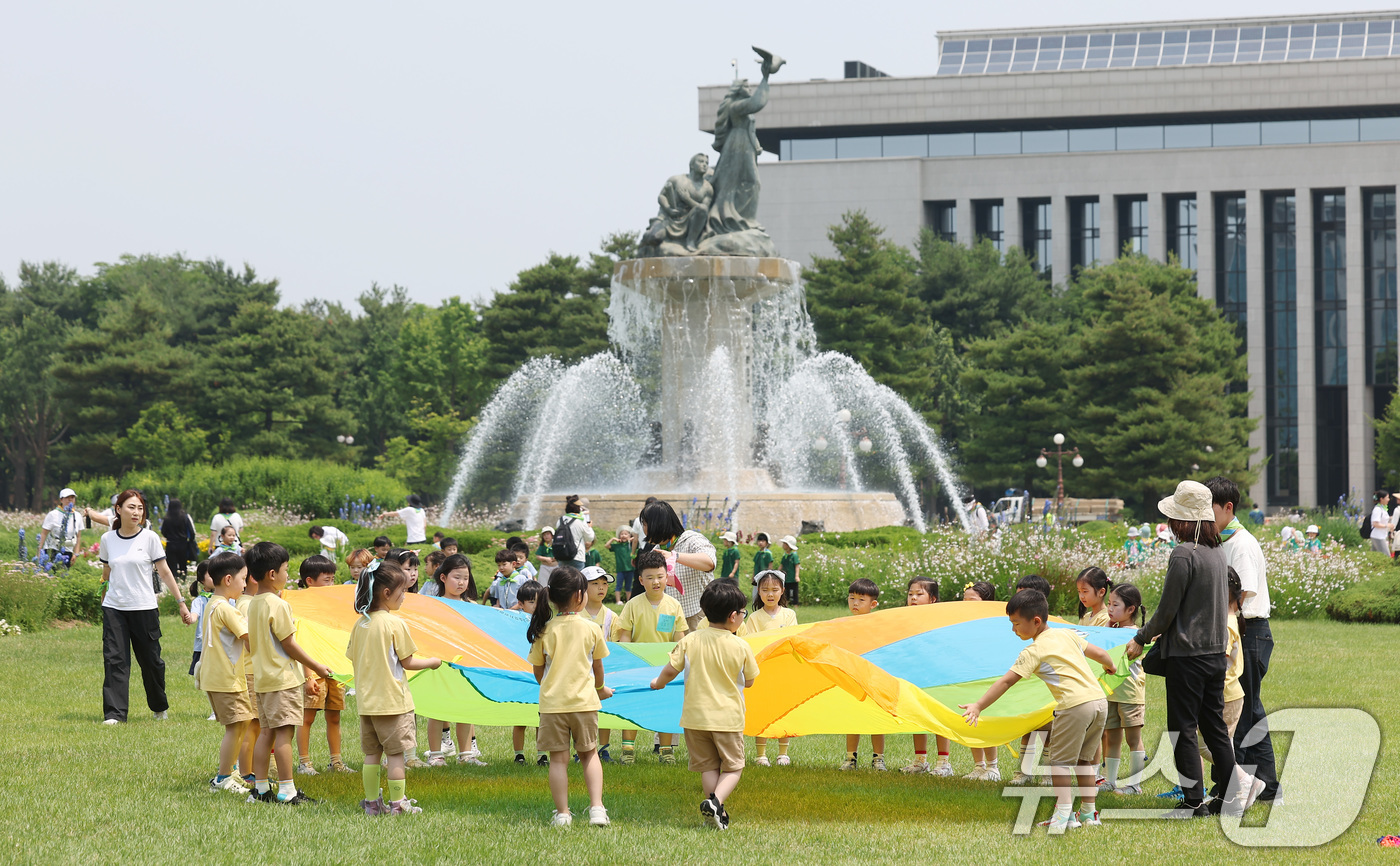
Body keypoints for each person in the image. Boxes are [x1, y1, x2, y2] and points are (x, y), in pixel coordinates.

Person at [1125, 480, 1259, 818]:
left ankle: (1193, 802)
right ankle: (1229, 800)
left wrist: (1141, 637)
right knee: (1214, 729)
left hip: (1187, 655)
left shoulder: (1184, 553)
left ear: (1181, 520)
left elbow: (1168, 609)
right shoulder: (1216, 552)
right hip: (1215, 656)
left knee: (1182, 729)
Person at [961, 589, 1117, 833]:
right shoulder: (1067, 634)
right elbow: (1099, 653)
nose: (1014, 630)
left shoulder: (1034, 650)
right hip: (1099, 702)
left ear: (1035, 621)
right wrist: (1111, 665)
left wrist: (978, 705)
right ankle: (1088, 811)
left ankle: (1063, 815)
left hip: (1074, 706)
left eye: (1016, 624)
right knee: (1085, 761)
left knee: (1060, 763)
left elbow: (1005, 682)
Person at [650, 580, 760, 830]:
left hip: (694, 718)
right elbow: (751, 681)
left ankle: (716, 813)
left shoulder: (691, 640)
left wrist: (658, 683)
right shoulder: (741, 645)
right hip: (727, 719)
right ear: (733, 617)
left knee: (708, 766)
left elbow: (670, 670)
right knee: (733, 767)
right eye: (743, 613)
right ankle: (716, 802)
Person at [1203, 475, 1280, 804]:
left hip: (1248, 634)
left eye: (1210, 509)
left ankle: (1231, 786)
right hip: (1244, 634)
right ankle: (1265, 786)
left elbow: (1244, 593)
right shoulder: (1224, 540)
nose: (1205, 517)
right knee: (1250, 712)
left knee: (1236, 714)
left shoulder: (1241, 544)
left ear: (1228, 507)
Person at [349, 558, 442, 816]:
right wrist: (433, 662)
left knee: (371, 755)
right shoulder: (394, 624)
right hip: (392, 703)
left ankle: (371, 804)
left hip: (367, 705)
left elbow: (353, 657)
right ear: (387, 593)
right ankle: (398, 804)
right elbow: (408, 661)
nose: (405, 597)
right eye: (402, 592)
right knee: (396, 755)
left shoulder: (361, 624)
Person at [245, 542, 333, 805]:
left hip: (263, 679)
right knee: (284, 734)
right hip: (283, 680)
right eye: (285, 569)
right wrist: (317, 667)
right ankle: (287, 791)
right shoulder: (278, 605)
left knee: (267, 733)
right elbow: (289, 643)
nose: (288, 575)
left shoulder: (253, 603)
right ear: (272, 574)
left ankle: (261, 790)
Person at [526, 566, 614, 827]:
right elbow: (598, 667)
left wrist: (550, 686)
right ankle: (597, 809)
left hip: (553, 706)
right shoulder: (591, 628)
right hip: (584, 704)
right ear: (580, 595)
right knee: (589, 754)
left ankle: (563, 814)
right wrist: (601, 689)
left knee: (558, 759)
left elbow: (538, 670)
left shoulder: (544, 630)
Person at [99, 489, 195, 724]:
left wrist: (181, 603)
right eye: (131, 507)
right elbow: (106, 573)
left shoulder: (149, 538)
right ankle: (115, 714)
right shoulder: (107, 540)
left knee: (151, 662)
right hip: (114, 608)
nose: (136, 512)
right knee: (115, 660)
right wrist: (102, 598)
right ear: (118, 510)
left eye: (140, 508)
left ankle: (159, 706)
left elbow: (164, 571)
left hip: (144, 608)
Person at [614, 548, 688, 764]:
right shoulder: (632, 605)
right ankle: (628, 750)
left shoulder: (674, 605)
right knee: (633, 705)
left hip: (665, 667)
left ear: (667, 577)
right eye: (650, 578)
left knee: (665, 707)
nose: (656, 582)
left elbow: (679, 640)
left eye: (660, 577)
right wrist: (629, 661)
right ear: (641, 580)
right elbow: (625, 636)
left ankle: (666, 750)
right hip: (636, 666)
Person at [199, 551, 253, 795]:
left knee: (242, 722)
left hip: (218, 676)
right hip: (227, 678)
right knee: (237, 724)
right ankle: (223, 777)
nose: (245, 583)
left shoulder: (213, 603)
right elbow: (249, 638)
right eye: (243, 578)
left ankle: (229, 772)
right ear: (229, 580)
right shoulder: (228, 610)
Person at [424, 556, 486, 768]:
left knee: (465, 709)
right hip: (439, 664)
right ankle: (435, 754)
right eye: (456, 577)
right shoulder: (433, 604)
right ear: (443, 577)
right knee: (437, 710)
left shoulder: (472, 606)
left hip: (465, 664)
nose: (461, 582)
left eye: (465, 578)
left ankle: (466, 754)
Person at [294, 556, 352, 776]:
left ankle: (336, 762)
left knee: (334, 716)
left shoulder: (333, 606)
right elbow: (301, 643)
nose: (331, 584)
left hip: (335, 670)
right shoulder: (302, 608)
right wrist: (308, 677)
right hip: (313, 670)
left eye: (333, 579)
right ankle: (304, 763)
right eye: (327, 580)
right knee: (307, 717)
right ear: (310, 581)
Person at [739, 570, 797, 767]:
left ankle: (783, 753)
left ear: (782, 591)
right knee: (762, 710)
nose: (770, 594)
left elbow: (793, 640)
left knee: (783, 710)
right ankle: (761, 754)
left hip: (783, 670)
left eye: (774, 590)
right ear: (758, 593)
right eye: (765, 590)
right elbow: (752, 644)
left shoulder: (790, 615)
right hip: (762, 671)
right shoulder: (754, 618)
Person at [639, 499, 717, 632]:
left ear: (656, 524)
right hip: (669, 616)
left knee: (695, 652)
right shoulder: (657, 550)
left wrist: (675, 556)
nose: (643, 528)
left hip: (697, 614)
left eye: (645, 523)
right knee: (668, 650)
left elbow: (709, 562)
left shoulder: (692, 539)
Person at [901, 576, 952, 776]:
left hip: (937, 676)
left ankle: (944, 762)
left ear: (932, 599)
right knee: (918, 716)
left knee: (939, 717)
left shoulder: (940, 620)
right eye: (910, 594)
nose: (913, 598)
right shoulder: (904, 619)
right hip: (915, 674)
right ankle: (920, 760)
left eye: (919, 594)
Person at [1102, 583, 1148, 795]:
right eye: (1109, 604)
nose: (1110, 609)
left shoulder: (1137, 635)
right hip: (1111, 693)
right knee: (1112, 738)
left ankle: (1134, 784)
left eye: (1115, 605)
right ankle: (1109, 781)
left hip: (1130, 695)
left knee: (1133, 739)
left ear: (1131, 609)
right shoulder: (1111, 630)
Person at [1007, 574, 1053, 785]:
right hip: (1025, 684)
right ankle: (1024, 771)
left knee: (1048, 729)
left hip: (1045, 689)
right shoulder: (1020, 628)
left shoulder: (1051, 633)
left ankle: (1048, 773)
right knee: (1028, 728)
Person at [841, 577, 885, 771]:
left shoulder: (878, 625)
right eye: (852, 599)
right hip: (853, 678)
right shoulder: (845, 624)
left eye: (861, 600)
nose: (855, 603)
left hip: (874, 678)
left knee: (876, 720)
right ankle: (851, 758)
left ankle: (878, 759)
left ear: (873, 604)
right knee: (853, 718)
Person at [960, 580, 1002, 779]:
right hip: (967, 676)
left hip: (985, 677)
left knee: (985, 720)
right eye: (964, 600)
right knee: (969, 718)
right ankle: (979, 765)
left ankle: (993, 767)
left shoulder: (993, 624)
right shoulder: (961, 624)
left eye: (972, 600)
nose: (966, 604)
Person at [511, 580, 546, 765]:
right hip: (520, 677)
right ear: (521, 603)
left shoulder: (546, 624)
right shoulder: (514, 620)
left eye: (539, 601)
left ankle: (542, 755)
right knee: (520, 719)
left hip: (538, 676)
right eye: (531, 602)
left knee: (542, 718)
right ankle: (519, 754)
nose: (535, 606)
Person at [39, 487, 82, 566]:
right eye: (67, 498)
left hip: (68, 550)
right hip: (52, 548)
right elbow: (44, 533)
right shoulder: (53, 514)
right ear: (61, 500)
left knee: (63, 574)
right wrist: (39, 551)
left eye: (72, 497)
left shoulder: (78, 515)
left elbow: (78, 536)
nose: (70, 500)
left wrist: (76, 553)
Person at [160, 497, 199, 578]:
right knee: (183, 565)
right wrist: (191, 540)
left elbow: (163, 531)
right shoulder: (184, 517)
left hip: (171, 544)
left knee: (172, 565)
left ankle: (174, 580)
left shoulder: (167, 518)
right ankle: (183, 579)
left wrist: (169, 536)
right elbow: (191, 531)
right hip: (183, 544)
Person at [554, 495, 595, 571]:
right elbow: (590, 538)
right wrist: (589, 527)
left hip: (562, 555)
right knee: (576, 581)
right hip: (577, 556)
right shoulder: (580, 521)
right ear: (577, 508)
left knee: (563, 580)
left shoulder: (560, 520)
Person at [188, 561, 214, 677]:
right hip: (204, 642)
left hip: (222, 642)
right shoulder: (199, 601)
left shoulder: (229, 598)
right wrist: (190, 618)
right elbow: (194, 615)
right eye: (211, 575)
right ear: (202, 580)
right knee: (204, 675)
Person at [610, 526, 635, 604]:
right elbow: (607, 546)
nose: (623, 535)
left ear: (629, 536)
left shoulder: (631, 545)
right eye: (622, 534)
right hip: (620, 569)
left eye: (626, 534)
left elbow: (637, 539)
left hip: (630, 569)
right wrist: (613, 539)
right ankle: (618, 601)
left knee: (628, 586)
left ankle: (629, 601)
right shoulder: (617, 546)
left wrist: (632, 539)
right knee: (619, 586)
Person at [1369, 490, 1394, 556]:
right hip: (1378, 536)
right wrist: (1387, 526)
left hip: (1381, 535)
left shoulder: (1382, 509)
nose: (1388, 499)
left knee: (1375, 556)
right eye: (1387, 497)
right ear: (1381, 499)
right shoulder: (1377, 509)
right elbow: (1375, 524)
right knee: (1386, 556)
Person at [778, 535, 800, 605]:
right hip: (785, 577)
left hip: (792, 578)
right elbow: (781, 565)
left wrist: (797, 576)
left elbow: (797, 566)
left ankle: (795, 605)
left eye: (785, 544)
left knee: (794, 592)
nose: (783, 545)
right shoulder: (785, 555)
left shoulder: (794, 555)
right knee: (785, 592)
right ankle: (785, 604)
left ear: (789, 545)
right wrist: (777, 572)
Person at [751, 533, 773, 597]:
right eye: (759, 541)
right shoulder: (758, 553)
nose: (760, 542)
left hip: (764, 576)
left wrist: (769, 575)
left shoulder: (768, 553)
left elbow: (770, 565)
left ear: (767, 543)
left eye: (763, 541)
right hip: (757, 576)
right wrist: (753, 576)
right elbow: (755, 565)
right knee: (755, 594)